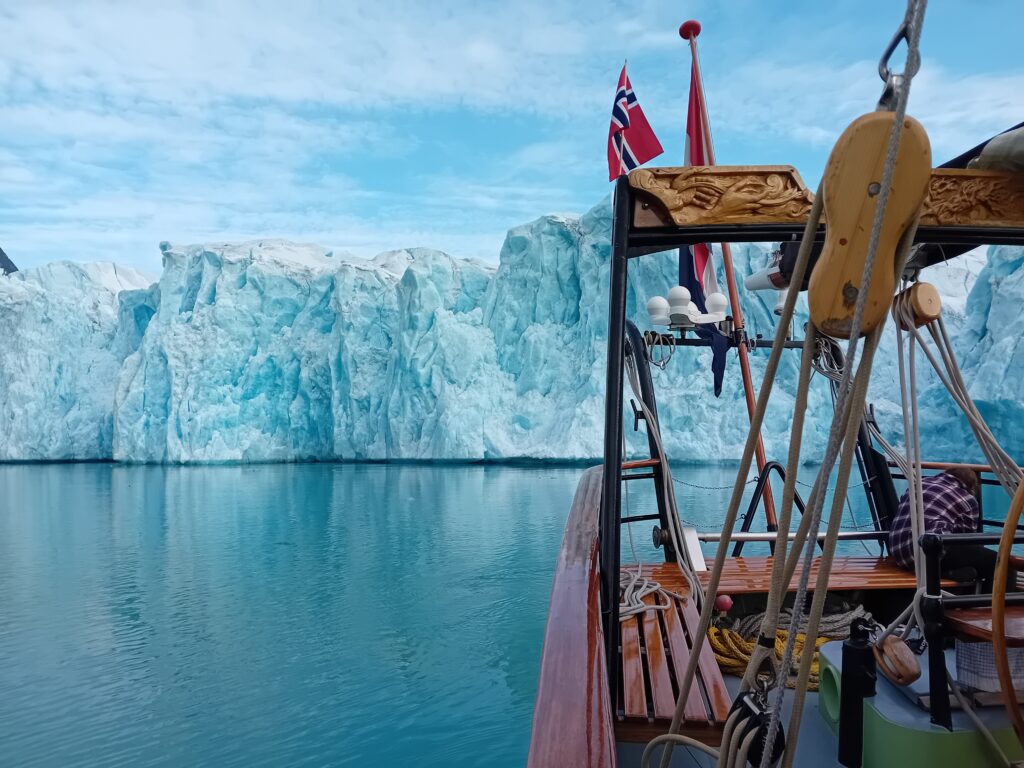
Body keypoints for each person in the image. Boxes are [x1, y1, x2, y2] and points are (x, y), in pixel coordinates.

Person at [888, 467, 998, 590]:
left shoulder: (918, 485)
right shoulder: (966, 499)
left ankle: (948, 573)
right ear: (971, 486)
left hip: (899, 554)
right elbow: (967, 540)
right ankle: (991, 607)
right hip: (928, 553)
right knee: (998, 562)